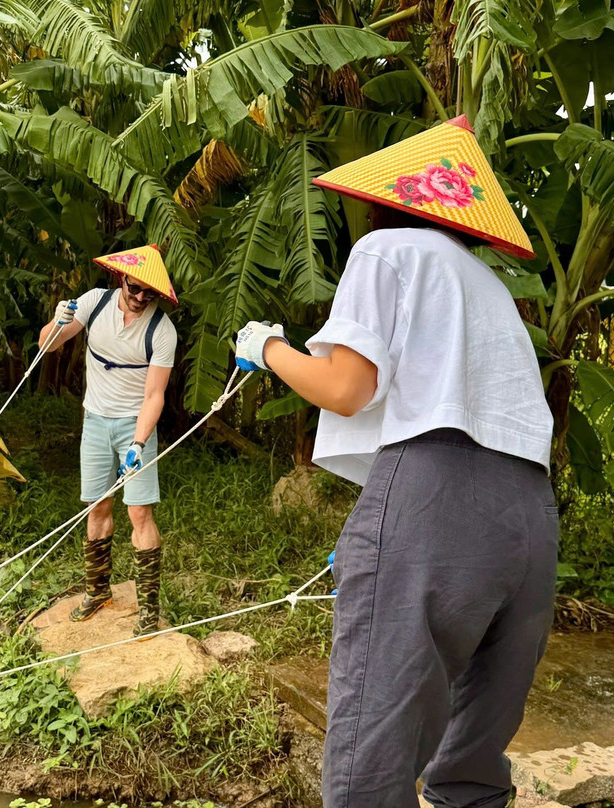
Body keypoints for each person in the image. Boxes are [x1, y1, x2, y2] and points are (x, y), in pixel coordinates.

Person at [234, 116, 558, 808]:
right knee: (469, 770)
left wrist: (267, 349)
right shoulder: (491, 289)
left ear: (386, 199)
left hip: (436, 497)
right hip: (530, 519)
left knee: (369, 769)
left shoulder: (387, 251)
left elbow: (347, 390)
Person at [38, 245, 178, 636]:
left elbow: (155, 395)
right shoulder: (94, 303)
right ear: (122, 278)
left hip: (135, 426)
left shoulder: (161, 331)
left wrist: (138, 442)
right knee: (96, 508)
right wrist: (56, 321)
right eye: (134, 288)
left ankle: (149, 608)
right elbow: (47, 346)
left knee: (139, 514)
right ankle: (98, 589)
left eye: (148, 293)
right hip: (96, 420)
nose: (139, 297)